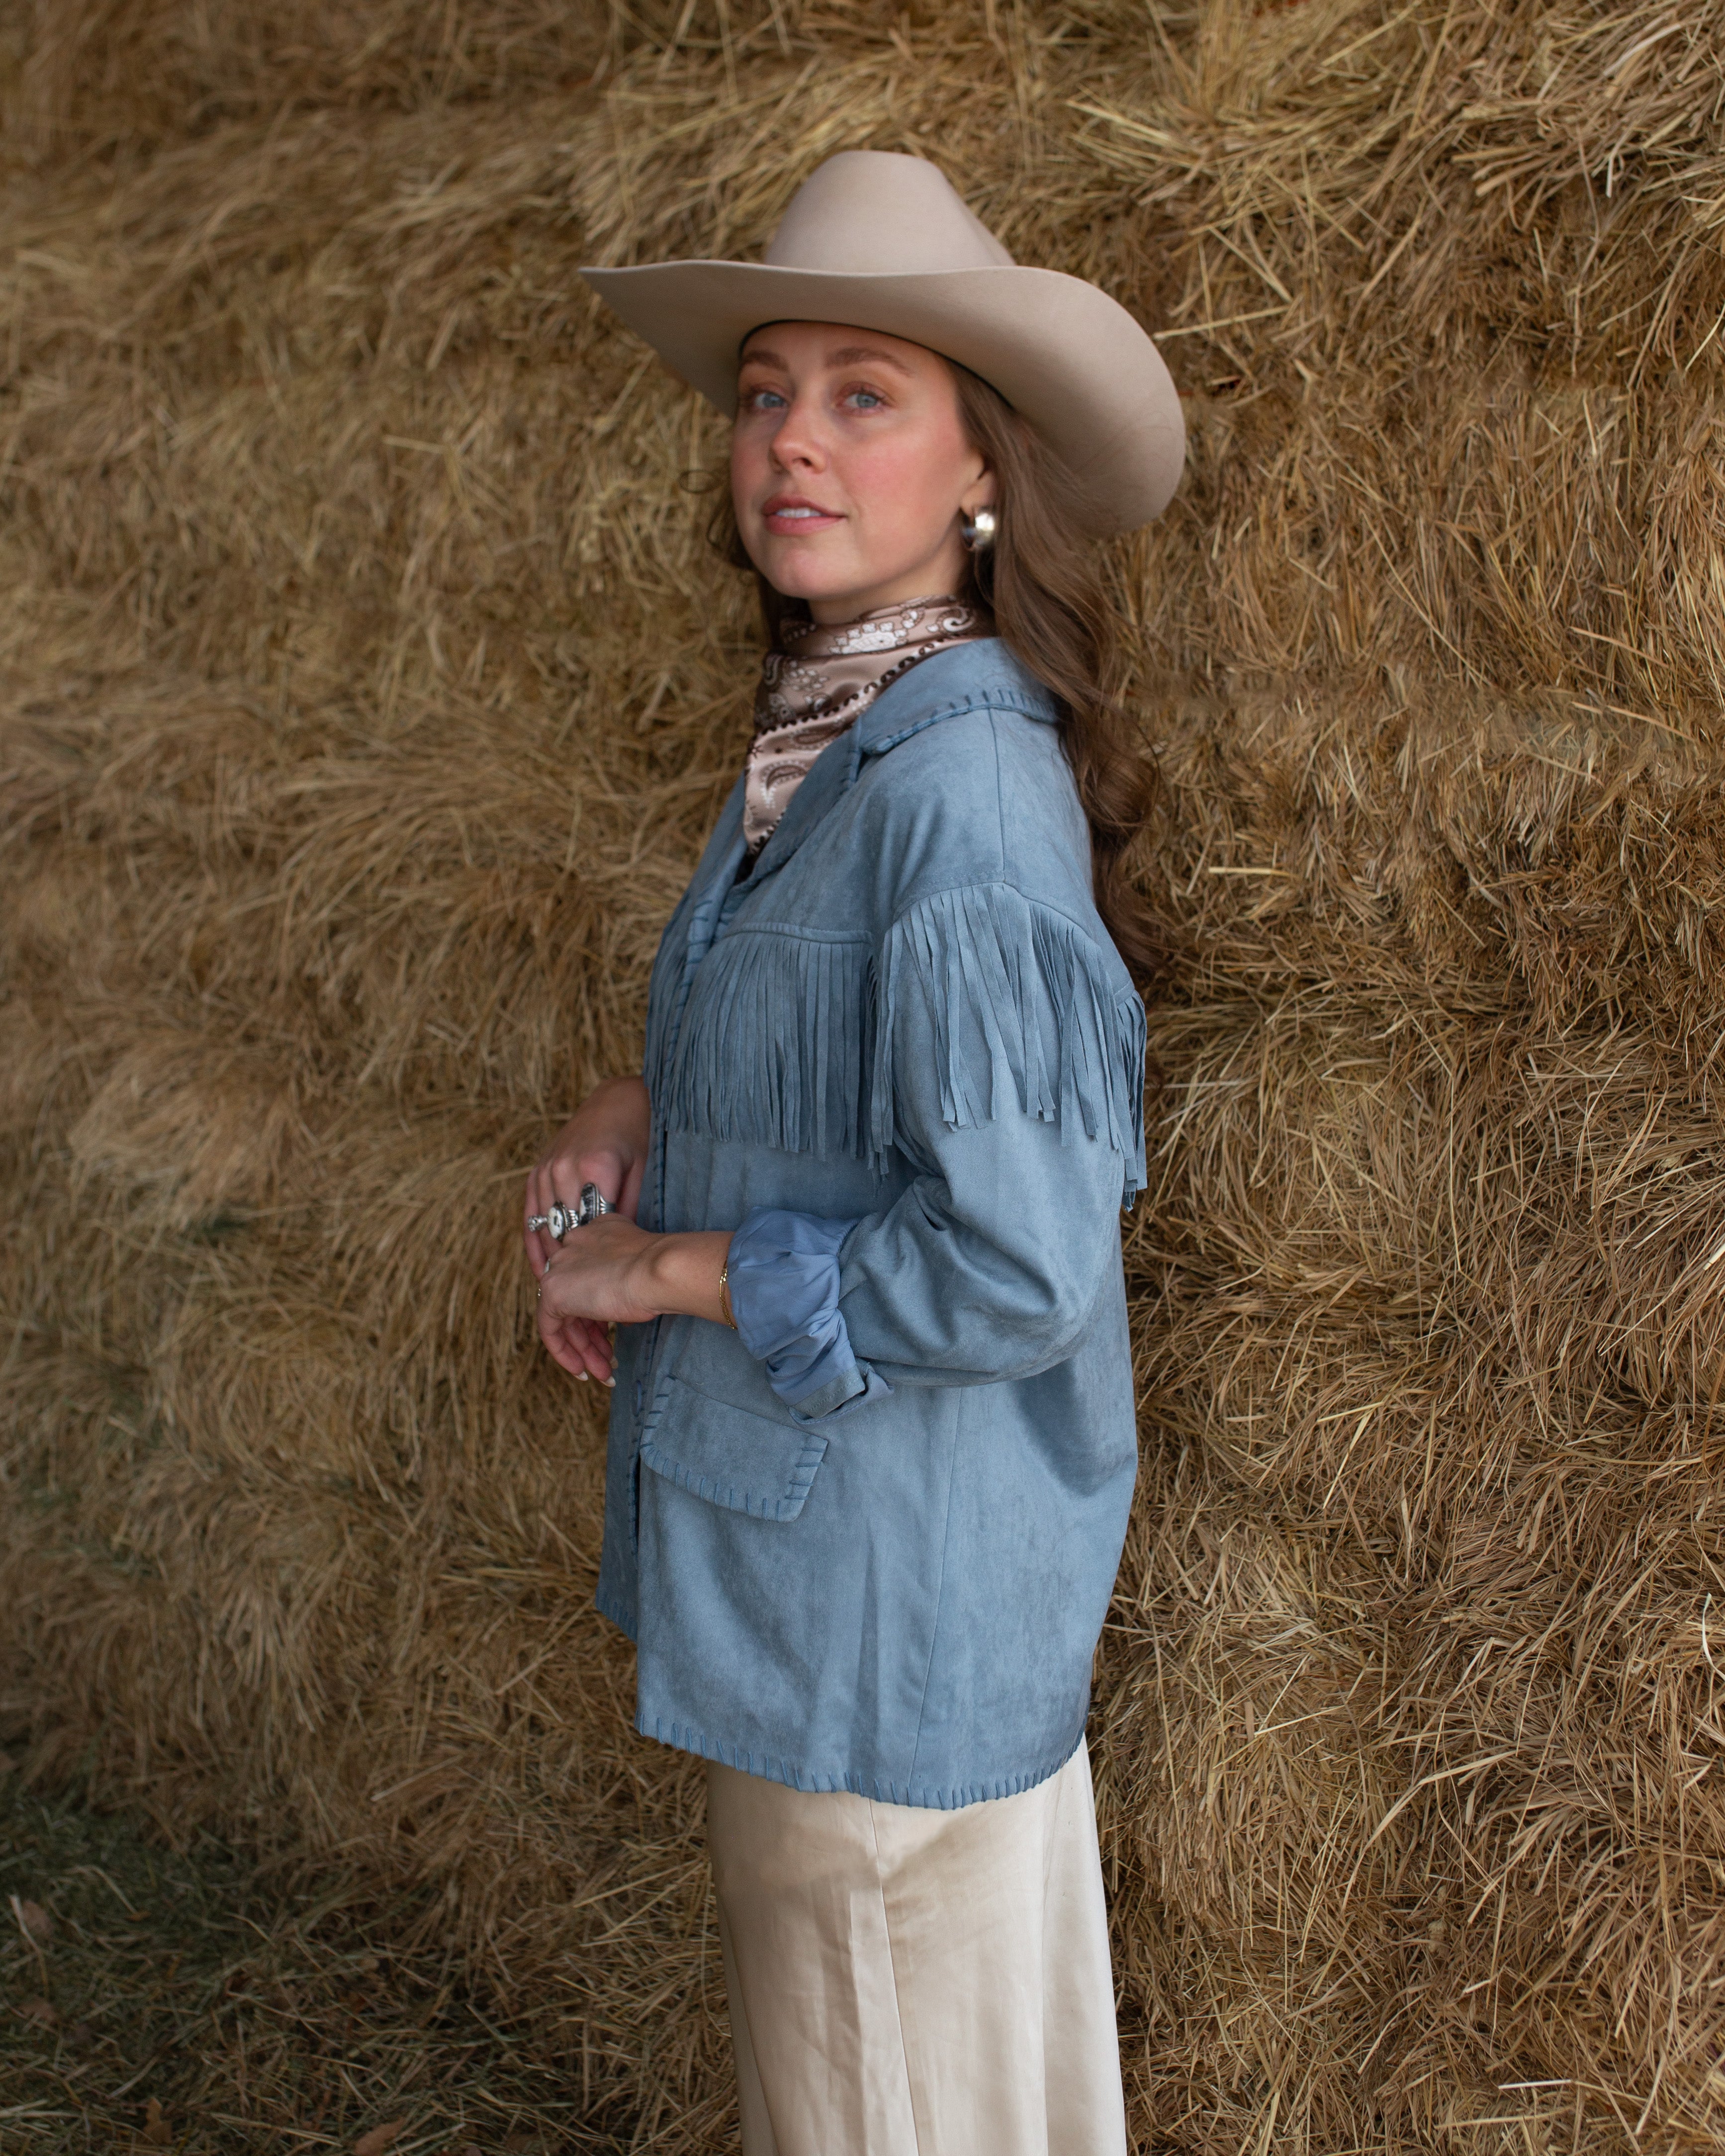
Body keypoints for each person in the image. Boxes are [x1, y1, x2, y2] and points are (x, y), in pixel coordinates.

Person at [523, 150, 1183, 2156]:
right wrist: (649, 1107)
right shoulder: (832, 734)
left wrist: (672, 1269)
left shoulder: (956, 791)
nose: (791, 438)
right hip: (826, 1592)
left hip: (887, 1626)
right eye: (764, 392)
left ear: (982, 468)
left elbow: (1015, 1261)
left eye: (863, 394)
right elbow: (854, 1074)